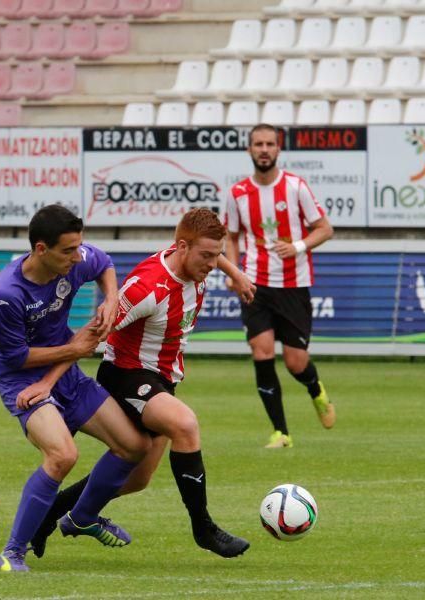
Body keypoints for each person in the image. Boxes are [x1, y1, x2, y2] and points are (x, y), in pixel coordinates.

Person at [31, 208, 257, 560]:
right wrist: (48, 381)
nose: (213, 264)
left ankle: (49, 514)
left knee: (136, 479)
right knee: (185, 424)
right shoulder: (146, 289)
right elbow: (91, 335)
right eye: (208, 257)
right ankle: (204, 528)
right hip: (127, 375)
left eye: (217, 256)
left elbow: (211, 251)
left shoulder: (195, 259)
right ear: (181, 247)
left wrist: (236, 273)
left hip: (163, 380)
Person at [0, 204, 150, 573]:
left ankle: (83, 517)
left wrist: (109, 298)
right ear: (41, 250)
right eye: (68, 251)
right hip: (22, 380)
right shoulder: (5, 295)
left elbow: (103, 263)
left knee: (134, 446)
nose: (77, 257)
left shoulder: (75, 259)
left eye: (78, 247)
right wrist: (73, 349)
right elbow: (14, 359)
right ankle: (11, 553)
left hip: (65, 371)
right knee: (62, 456)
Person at [224, 123, 336, 449]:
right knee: (261, 352)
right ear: (249, 149)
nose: (263, 149)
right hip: (254, 284)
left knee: (295, 362)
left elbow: (325, 228)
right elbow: (230, 236)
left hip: (293, 284)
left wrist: (298, 246)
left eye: (269, 144)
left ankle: (315, 390)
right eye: (257, 143)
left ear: (278, 149)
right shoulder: (237, 194)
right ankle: (281, 432)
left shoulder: (296, 187)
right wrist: (233, 272)